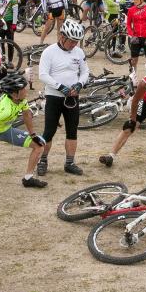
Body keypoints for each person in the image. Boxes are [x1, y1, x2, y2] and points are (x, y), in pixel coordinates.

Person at [37, 18, 90, 176]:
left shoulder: (78, 52)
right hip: (54, 96)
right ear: (62, 36)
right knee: (49, 131)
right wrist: (60, 87)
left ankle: (70, 162)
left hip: (72, 97)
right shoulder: (49, 52)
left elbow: (85, 71)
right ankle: (43, 160)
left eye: (76, 41)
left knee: (72, 131)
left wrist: (79, 84)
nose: (74, 44)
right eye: (72, 41)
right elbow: (43, 75)